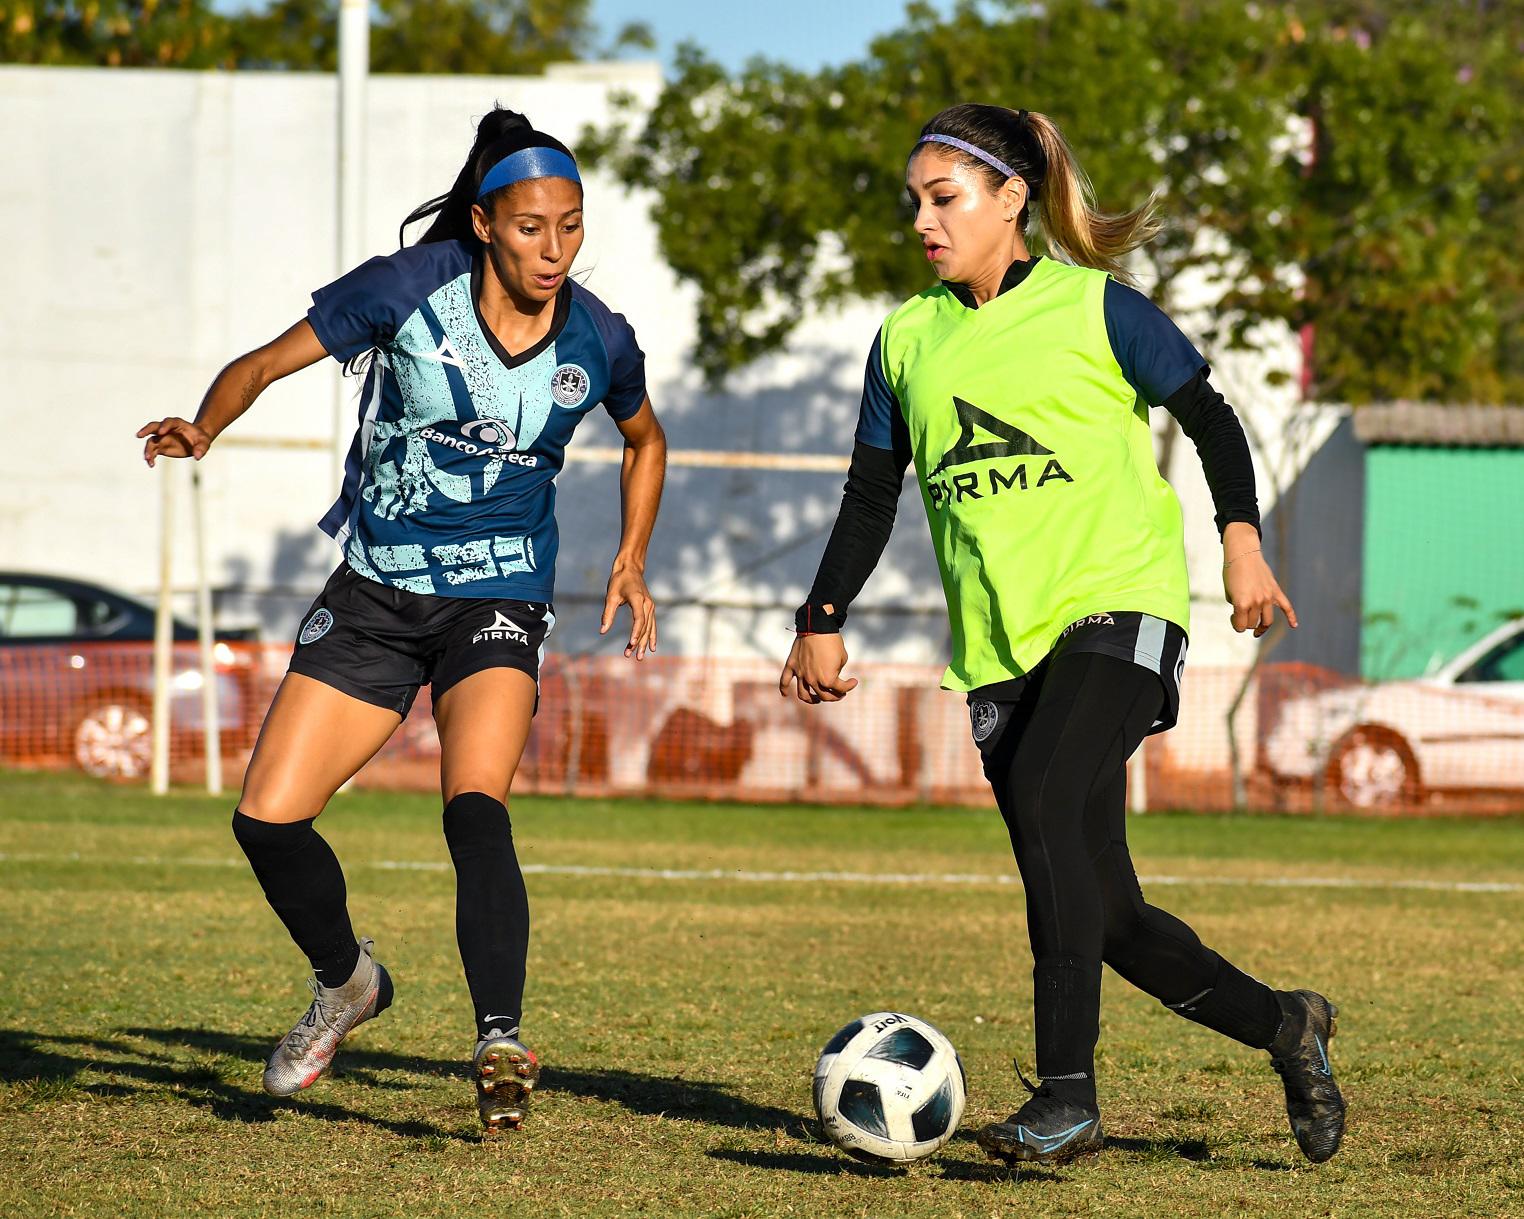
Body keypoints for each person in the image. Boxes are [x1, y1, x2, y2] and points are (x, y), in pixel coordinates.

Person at [779, 104, 1344, 1166]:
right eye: (915, 202)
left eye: (944, 199)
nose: (923, 222)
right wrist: (820, 618)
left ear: (1012, 199)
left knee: (1044, 794)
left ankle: (1068, 1097)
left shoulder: (1100, 309)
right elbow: (869, 495)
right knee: (1109, 913)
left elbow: (1213, 420)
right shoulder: (906, 338)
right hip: (1003, 650)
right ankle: (1287, 1026)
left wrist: (1240, 544)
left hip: (1120, 607)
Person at [137, 107, 666, 1133]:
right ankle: (347, 982)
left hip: (499, 595)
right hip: (376, 592)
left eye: (570, 226)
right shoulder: (404, 292)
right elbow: (263, 361)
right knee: (266, 817)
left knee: (475, 801)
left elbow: (647, 442)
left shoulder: (601, 339)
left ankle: (500, 1036)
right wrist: (206, 423)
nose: (553, 249)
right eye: (528, 228)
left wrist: (631, 558)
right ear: (482, 222)